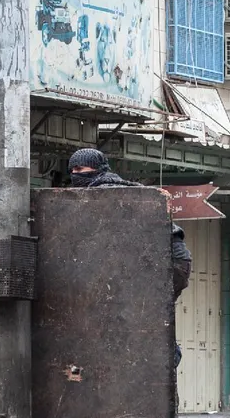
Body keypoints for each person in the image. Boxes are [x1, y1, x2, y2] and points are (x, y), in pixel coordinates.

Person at [67, 149, 191, 368]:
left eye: (80, 168)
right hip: (170, 258)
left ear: (98, 168)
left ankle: (168, 359)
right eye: (73, 169)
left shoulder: (106, 192)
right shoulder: (122, 188)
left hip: (168, 259)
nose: (76, 174)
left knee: (144, 312)